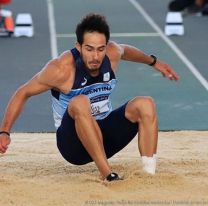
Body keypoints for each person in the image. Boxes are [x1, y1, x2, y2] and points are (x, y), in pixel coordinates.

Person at [0, 13, 179, 181]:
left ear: (107, 46)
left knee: (145, 103)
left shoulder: (112, 53)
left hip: (105, 138)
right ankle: (108, 175)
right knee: (79, 101)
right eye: (89, 49)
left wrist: (154, 62)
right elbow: (22, 93)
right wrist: (5, 131)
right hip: (73, 147)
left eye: (101, 49)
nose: (95, 56)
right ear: (79, 46)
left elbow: (126, 51)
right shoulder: (60, 69)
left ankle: (149, 174)